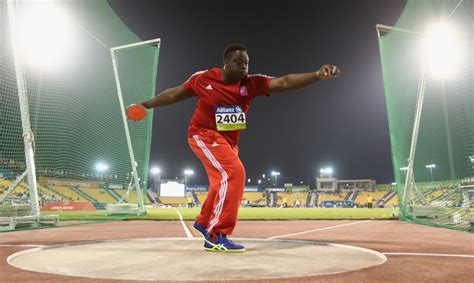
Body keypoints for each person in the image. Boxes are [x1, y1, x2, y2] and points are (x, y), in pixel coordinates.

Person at [136, 43, 340, 253]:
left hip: (229, 142)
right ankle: (217, 234)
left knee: (220, 183)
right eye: (238, 62)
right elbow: (174, 93)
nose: (244, 67)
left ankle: (204, 222)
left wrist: (316, 75)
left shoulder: (251, 83)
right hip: (203, 135)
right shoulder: (203, 78)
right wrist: (146, 104)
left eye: (246, 63)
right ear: (225, 63)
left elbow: (285, 82)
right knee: (234, 173)